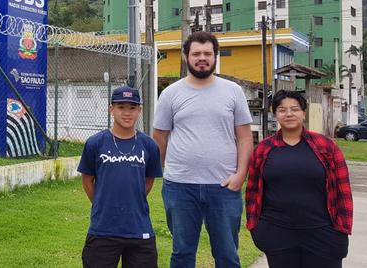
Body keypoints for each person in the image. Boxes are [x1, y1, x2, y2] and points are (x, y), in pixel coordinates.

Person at [152, 31, 253, 268]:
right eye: (196, 53)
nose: (202, 58)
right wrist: (166, 172)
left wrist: (241, 175)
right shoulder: (170, 93)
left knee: (227, 255)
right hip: (180, 187)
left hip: (224, 187)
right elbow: (159, 137)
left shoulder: (233, 91)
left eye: (208, 53)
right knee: (182, 254)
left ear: (215, 56)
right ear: (186, 56)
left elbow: (245, 137)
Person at [245, 90, 353, 268]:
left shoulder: (325, 146)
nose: (288, 114)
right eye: (282, 110)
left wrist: (341, 230)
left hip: (322, 233)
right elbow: (252, 192)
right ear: (275, 115)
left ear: (303, 113)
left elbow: (343, 191)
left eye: (294, 109)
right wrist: (257, 229)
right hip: (277, 233)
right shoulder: (264, 149)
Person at [78, 85, 163, 268]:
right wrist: (103, 202)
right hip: (103, 229)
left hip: (139, 229)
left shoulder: (149, 145)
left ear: (139, 110)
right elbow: (87, 180)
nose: (127, 113)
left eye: (132, 107)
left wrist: (131, 200)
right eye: (121, 107)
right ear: (111, 109)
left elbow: (148, 181)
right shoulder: (95, 143)